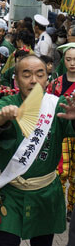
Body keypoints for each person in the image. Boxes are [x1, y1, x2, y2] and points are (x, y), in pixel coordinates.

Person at [0, 54, 75, 246]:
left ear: (47, 78)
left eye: (39, 74)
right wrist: (2, 118)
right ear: (16, 79)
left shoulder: (57, 105)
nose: (33, 80)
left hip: (46, 193)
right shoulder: (7, 102)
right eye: (26, 74)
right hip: (12, 193)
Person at [47, 43, 75, 222]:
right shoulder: (55, 83)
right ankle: (57, 205)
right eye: (69, 59)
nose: (72, 63)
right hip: (61, 133)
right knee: (61, 172)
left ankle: (71, 207)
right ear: (63, 61)